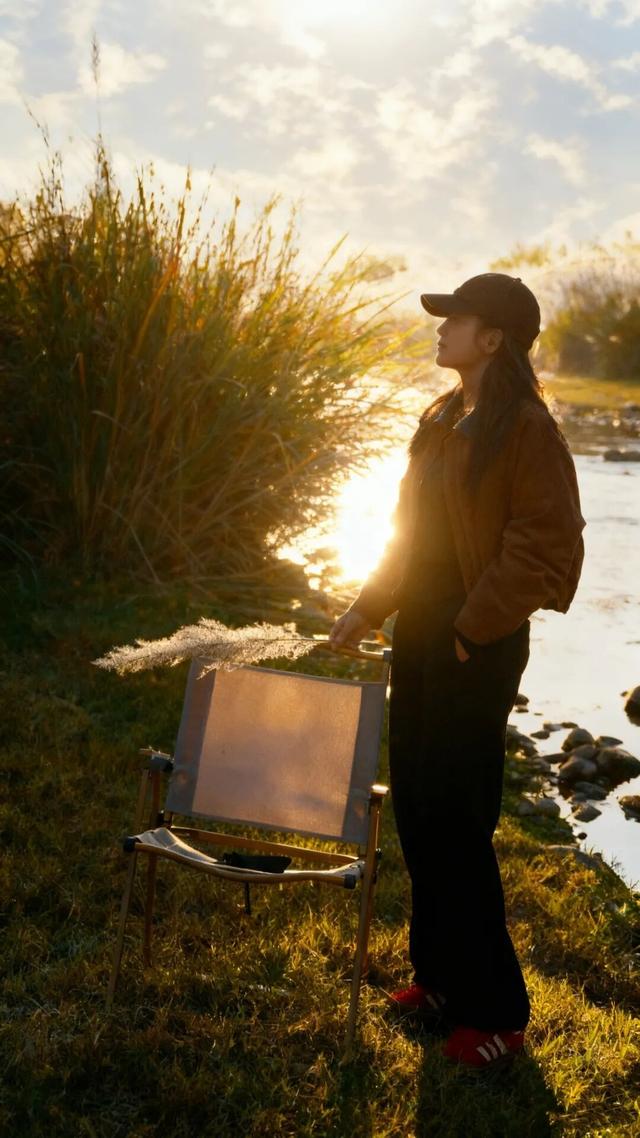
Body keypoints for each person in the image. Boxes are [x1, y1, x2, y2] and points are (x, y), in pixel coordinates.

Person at [329, 272, 586, 1070]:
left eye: (456, 319)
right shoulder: (443, 418)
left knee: (458, 823)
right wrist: (370, 606)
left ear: (495, 338)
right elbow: (410, 535)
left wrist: (471, 632)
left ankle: (498, 1016)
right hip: (423, 637)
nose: (440, 329)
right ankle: (438, 982)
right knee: (418, 809)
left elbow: (544, 547)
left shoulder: (527, 432)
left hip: (475, 645)